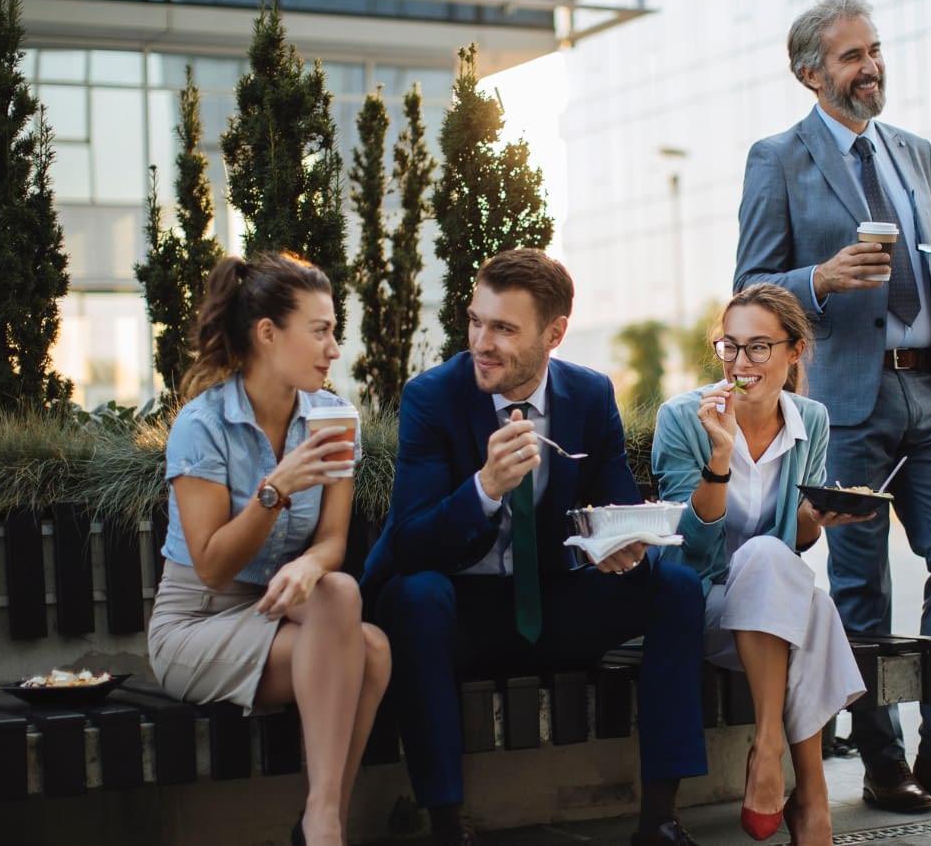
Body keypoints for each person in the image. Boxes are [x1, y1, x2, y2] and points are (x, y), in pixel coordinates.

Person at [735, 0, 931, 812]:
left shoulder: (915, 153)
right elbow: (750, 290)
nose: (870, 66)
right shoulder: (778, 159)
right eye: (850, 57)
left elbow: (920, 274)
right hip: (845, 402)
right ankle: (882, 759)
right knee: (864, 588)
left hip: (928, 390)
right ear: (810, 74)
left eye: (874, 50)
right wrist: (819, 281)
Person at [361, 248, 708, 846]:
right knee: (417, 596)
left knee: (674, 587)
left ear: (554, 333)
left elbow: (617, 506)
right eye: (475, 320)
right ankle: (446, 825)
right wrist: (484, 488)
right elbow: (412, 542)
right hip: (463, 617)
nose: (482, 341)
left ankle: (660, 820)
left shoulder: (590, 395)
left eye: (503, 328)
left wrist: (622, 545)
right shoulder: (433, 397)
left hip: (555, 605)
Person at [148, 252, 391, 846]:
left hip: (284, 608)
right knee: (368, 651)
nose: (334, 348)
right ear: (267, 334)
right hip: (198, 622)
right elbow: (211, 566)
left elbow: (332, 542)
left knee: (344, 597)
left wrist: (309, 563)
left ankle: (321, 818)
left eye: (334, 331)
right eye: (321, 331)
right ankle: (325, 825)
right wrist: (276, 488)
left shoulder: (333, 418)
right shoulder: (201, 426)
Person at [651, 284, 869, 845]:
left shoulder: (811, 420)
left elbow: (794, 538)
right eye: (730, 347)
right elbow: (689, 547)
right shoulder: (684, 417)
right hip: (702, 605)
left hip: (766, 608)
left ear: (794, 352)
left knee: (792, 582)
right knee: (810, 602)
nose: (741, 363)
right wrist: (720, 456)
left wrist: (820, 515)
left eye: (758, 348)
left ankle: (791, 780)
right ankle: (797, 780)